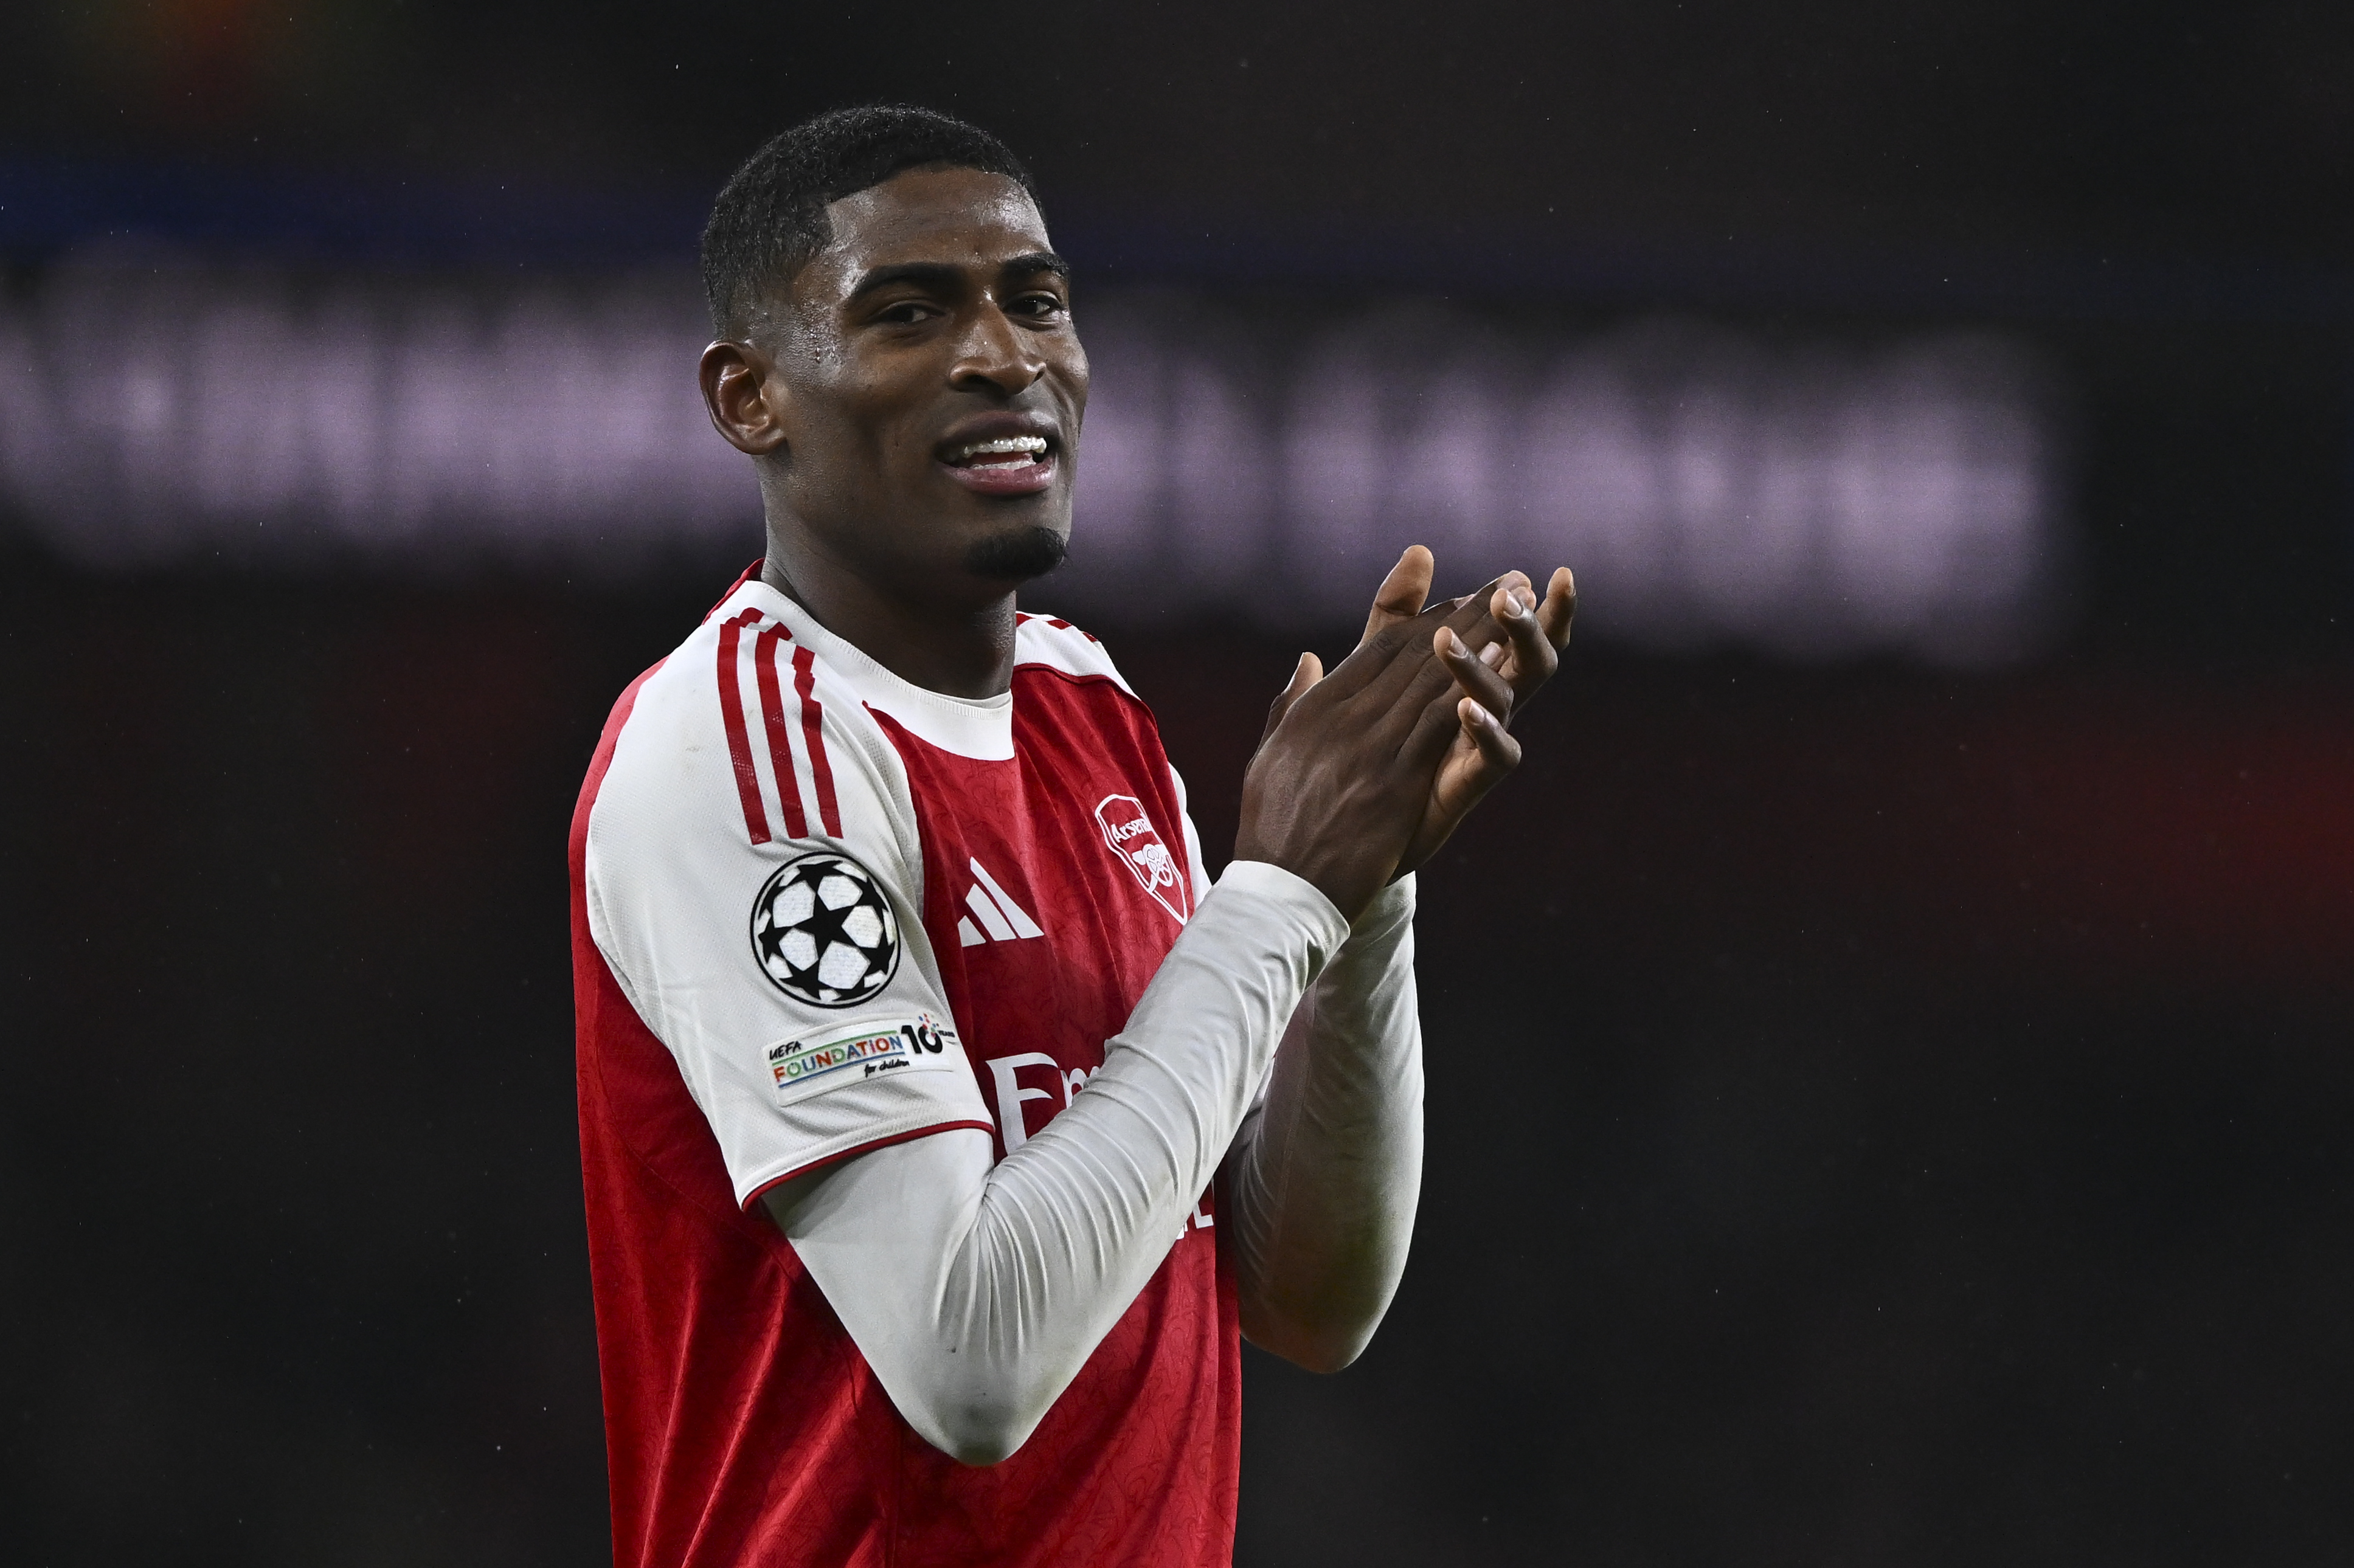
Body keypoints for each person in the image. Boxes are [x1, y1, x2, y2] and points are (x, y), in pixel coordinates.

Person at [568, 105, 1576, 1568]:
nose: (1006, 355)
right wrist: (1280, 890)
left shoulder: (1086, 704)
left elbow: (1306, 1301)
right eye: (909, 312)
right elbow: (967, 1364)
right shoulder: (738, 751)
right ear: (750, 399)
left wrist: (1358, 907)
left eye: (1035, 300)